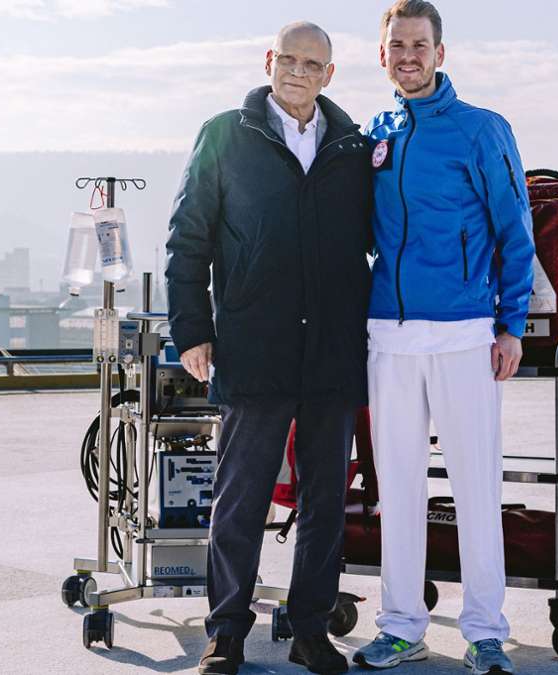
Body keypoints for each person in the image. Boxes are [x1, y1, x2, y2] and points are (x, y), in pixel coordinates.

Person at [165, 21, 373, 675]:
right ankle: (225, 629)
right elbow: (187, 236)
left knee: (322, 502)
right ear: (268, 61)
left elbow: (379, 242)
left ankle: (310, 628)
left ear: (329, 75)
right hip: (255, 346)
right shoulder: (225, 134)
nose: (298, 72)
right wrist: (192, 328)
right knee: (241, 497)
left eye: (313, 64)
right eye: (289, 59)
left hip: (332, 353)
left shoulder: (352, 147)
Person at [352, 2, 535, 673]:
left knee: (473, 486)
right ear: (381, 55)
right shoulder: (373, 133)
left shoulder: (481, 130)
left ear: (441, 52)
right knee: (395, 488)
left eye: (419, 45)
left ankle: (485, 630)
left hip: (463, 332)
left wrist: (510, 324)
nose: (408, 55)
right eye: (396, 45)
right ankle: (400, 624)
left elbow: (516, 232)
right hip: (389, 337)